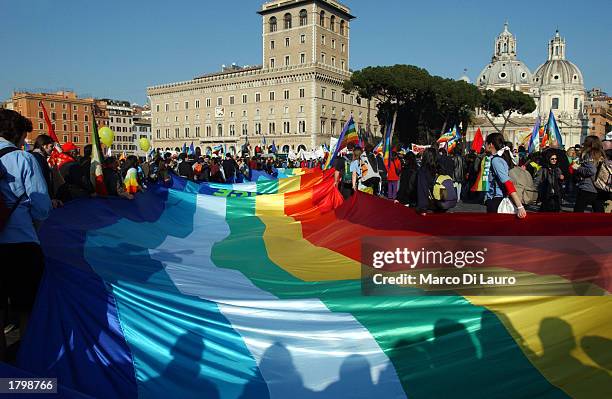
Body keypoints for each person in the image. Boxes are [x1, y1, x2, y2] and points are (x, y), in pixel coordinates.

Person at [0, 109, 52, 361]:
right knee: (26, 308)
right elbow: (42, 206)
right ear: (19, 134)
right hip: (20, 242)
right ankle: (25, 369)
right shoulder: (23, 159)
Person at [484, 133, 527, 218]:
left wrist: (520, 206)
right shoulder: (499, 159)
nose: (484, 145)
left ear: (491, 144)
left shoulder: (496, 161)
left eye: (486, 143)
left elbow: (507, 182)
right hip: (497, 200)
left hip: (496, 201)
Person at [573, 135, 606, 213]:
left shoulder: (589, 154)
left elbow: (592, 170)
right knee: (600, 214)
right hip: (600, 187)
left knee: (577, 212)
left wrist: (578, 168)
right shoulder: (602, 153)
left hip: (587, 187)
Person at [415, 148, 438, 215]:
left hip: (426, 205)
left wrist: (422, 207)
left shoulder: (423, 170)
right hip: (440, 201)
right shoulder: (437, 167)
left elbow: (422, 188)